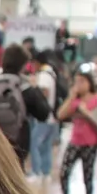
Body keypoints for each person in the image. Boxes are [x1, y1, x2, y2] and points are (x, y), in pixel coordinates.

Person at [0, 44, 50, 166]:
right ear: (24, 65)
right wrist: (36, 89)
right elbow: (44, 114)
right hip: (18, 147)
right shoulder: (25, 88)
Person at [56, 66, 97, 194]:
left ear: (89, 82)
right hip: (74, 142)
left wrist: (85, 112)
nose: (78, 84)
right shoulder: (75, 100)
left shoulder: (96, 99)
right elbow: (60, 114)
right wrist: (71, 97)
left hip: (90, 144)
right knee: (64, 173)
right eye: (76, 82)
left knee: (87, 178)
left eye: (81, 81)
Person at [30, 50, 62, 182]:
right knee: (46, 145)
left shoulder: (43, 75)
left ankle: (36, 171)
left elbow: (44, 92)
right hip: (52, 116)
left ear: (37, 62)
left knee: (34, 143)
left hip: (43, 116)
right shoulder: (52, 73)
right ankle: (45, 171)